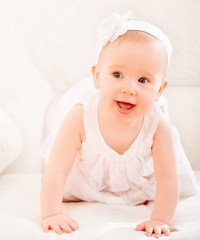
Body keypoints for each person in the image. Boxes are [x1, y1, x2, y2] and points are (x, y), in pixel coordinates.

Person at [40, 11, 197, 238]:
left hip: (136, 186)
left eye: (143, 80)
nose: (129, 88)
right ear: (97, 76)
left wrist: (160, 219)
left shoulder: (157, 125)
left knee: (151, 192)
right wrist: (51, 214)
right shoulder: (81, 116)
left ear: (160, 90)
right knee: (65, 187)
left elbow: (167, 178)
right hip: (87, 181)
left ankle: (131, 196)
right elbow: (56, 170)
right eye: (117, 74)